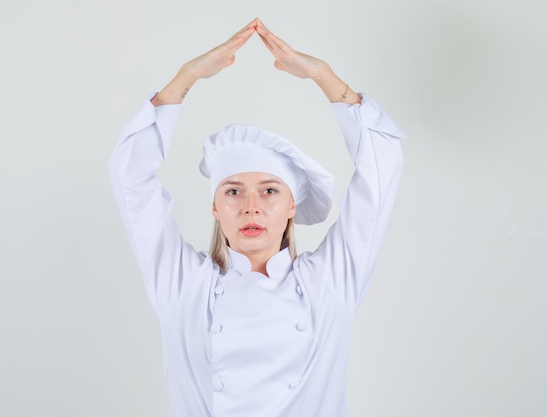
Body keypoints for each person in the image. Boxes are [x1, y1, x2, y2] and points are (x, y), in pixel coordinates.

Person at [109, 18, 404, 417]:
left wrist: (323, 76)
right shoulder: (183, 285)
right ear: (215, 207)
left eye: (269, 191)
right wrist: (185, 78)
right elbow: (130, 177)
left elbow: (381, 170)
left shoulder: (331, 282)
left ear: (291, 207)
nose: (251, 206)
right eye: (233, 191)